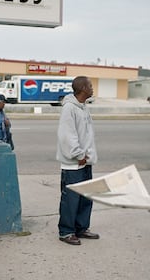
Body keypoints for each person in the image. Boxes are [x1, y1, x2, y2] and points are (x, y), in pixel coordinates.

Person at [56, 76, 99, 245]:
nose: (92, 87)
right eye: (89, 85)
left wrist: (86, 156)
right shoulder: (69, 108)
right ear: (82, 88)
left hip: (85, 161)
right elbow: (67, 135)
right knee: (71, 199)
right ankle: (66, 232)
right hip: (74, 163)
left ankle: (81, 228)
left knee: (85, 197)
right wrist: (78, 155)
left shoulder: (83, 107)